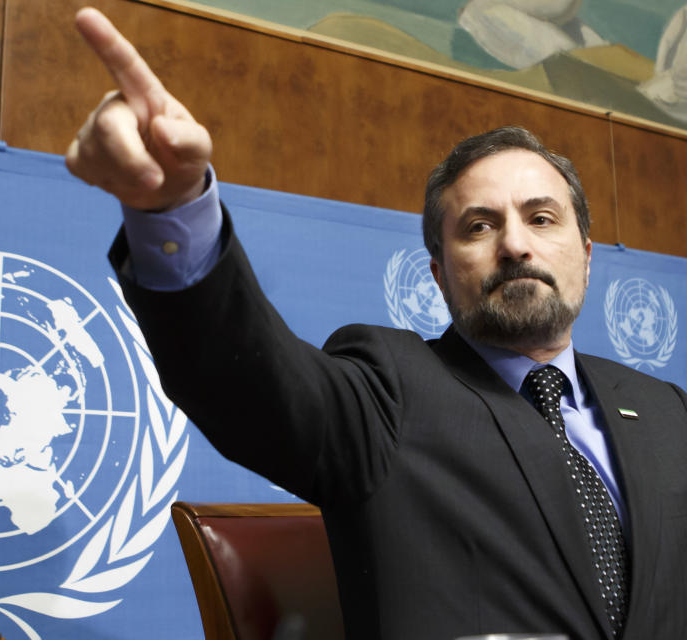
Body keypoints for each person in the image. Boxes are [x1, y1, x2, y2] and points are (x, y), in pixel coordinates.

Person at [65, 7, 687, 639]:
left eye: (543, 218)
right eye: (479, 226)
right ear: (440, 273)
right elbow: (245, 380)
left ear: (586, 256)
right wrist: (172, 208)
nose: (516, 245)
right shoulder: (389, 390)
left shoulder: (667, 411)